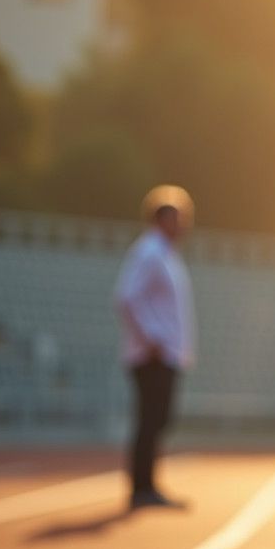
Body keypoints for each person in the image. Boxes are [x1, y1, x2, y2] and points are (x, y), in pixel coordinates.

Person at [114, 185, 196, 510]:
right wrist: (151, 340)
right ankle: (141, 488)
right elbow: (126, 297)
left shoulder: (164, 254)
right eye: (176, 218)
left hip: (165, 354)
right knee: (151, 420)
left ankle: (146, 485)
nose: (182, 225)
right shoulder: (149, 252)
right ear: (160, 219)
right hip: (152, 356)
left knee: (158, 420)